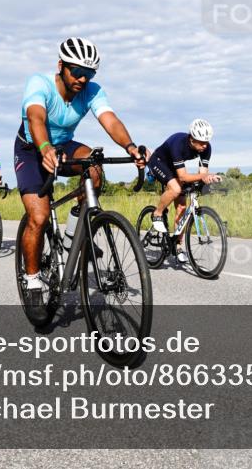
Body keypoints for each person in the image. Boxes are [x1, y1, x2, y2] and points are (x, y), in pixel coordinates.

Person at [15, 37, 147, 312]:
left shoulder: (91, 91)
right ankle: (33, 280)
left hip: (63, 146)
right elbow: (36, 117)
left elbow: (110, 120)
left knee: (94, 167)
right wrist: (44, 148)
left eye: (89, 74)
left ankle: (73, 234)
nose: (83, 79)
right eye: (77, 72)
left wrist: (131, 147)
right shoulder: (40, 83)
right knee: (38, 217)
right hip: (32, 148)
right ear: (61, 66)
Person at [147, 118, 222, 264]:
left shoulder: (206, 148)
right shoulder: (178, 144)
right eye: (201, 142)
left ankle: (178, 247)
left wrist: (208, 179)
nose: (205, 145)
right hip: (159, 162)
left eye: (207, 142)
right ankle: (157, 213)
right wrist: (204, 176)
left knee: (182, 207)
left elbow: (202, 173)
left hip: (175, 168)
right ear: (192, 139)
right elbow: (182, 176)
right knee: (175, 189)